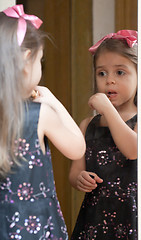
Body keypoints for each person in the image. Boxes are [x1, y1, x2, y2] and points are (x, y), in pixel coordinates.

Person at [0, 4, 86, 240]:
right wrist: (54, 102)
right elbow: (77, 147)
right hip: (36, 228)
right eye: (40, 60)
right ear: (27, 61)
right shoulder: (39, 114)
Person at [69, 30, 137, 240]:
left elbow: (133, 150)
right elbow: (75, 171)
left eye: (120, 72)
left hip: (130, 218)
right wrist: (79, 179)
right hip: (94, 219)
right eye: (102, 73)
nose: (109, 81)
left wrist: (107, 110)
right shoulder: (87, 125)